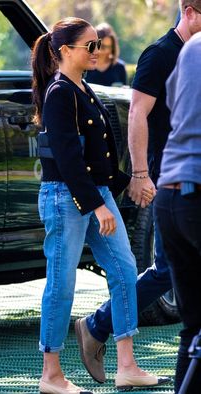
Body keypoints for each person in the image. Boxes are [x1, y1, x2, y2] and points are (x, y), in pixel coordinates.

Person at [31, 16, 167, 394]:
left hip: (94, 194)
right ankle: (51, 374)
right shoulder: (60, 92)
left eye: (100, 45)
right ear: (65, 51)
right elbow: (69, 158)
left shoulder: (83, 89)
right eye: (90, 45)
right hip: (66, 197)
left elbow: (99, 159)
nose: (99, 51)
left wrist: (133, 184)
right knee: (62, 283)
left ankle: (127, 365)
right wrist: (97, 205)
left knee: (124, 271)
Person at [75, 0, 201, 385]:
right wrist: (141, 173)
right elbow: (136, 112)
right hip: (171, 179)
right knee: (165, 270)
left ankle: (98, 325)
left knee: (166, 272)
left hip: (177, 179)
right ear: (189, 10)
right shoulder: (162, 54)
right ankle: (97, 323)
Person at [154, 32, 201, 394]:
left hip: (169, 196)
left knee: (194, 325)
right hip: (196, 194)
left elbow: (172, 104)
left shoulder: (193, 47)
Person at [85, 22, 127, 86]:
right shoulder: (84, 66)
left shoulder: (119, 67)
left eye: (109, 47)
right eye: (102, 47)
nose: (106, 51)